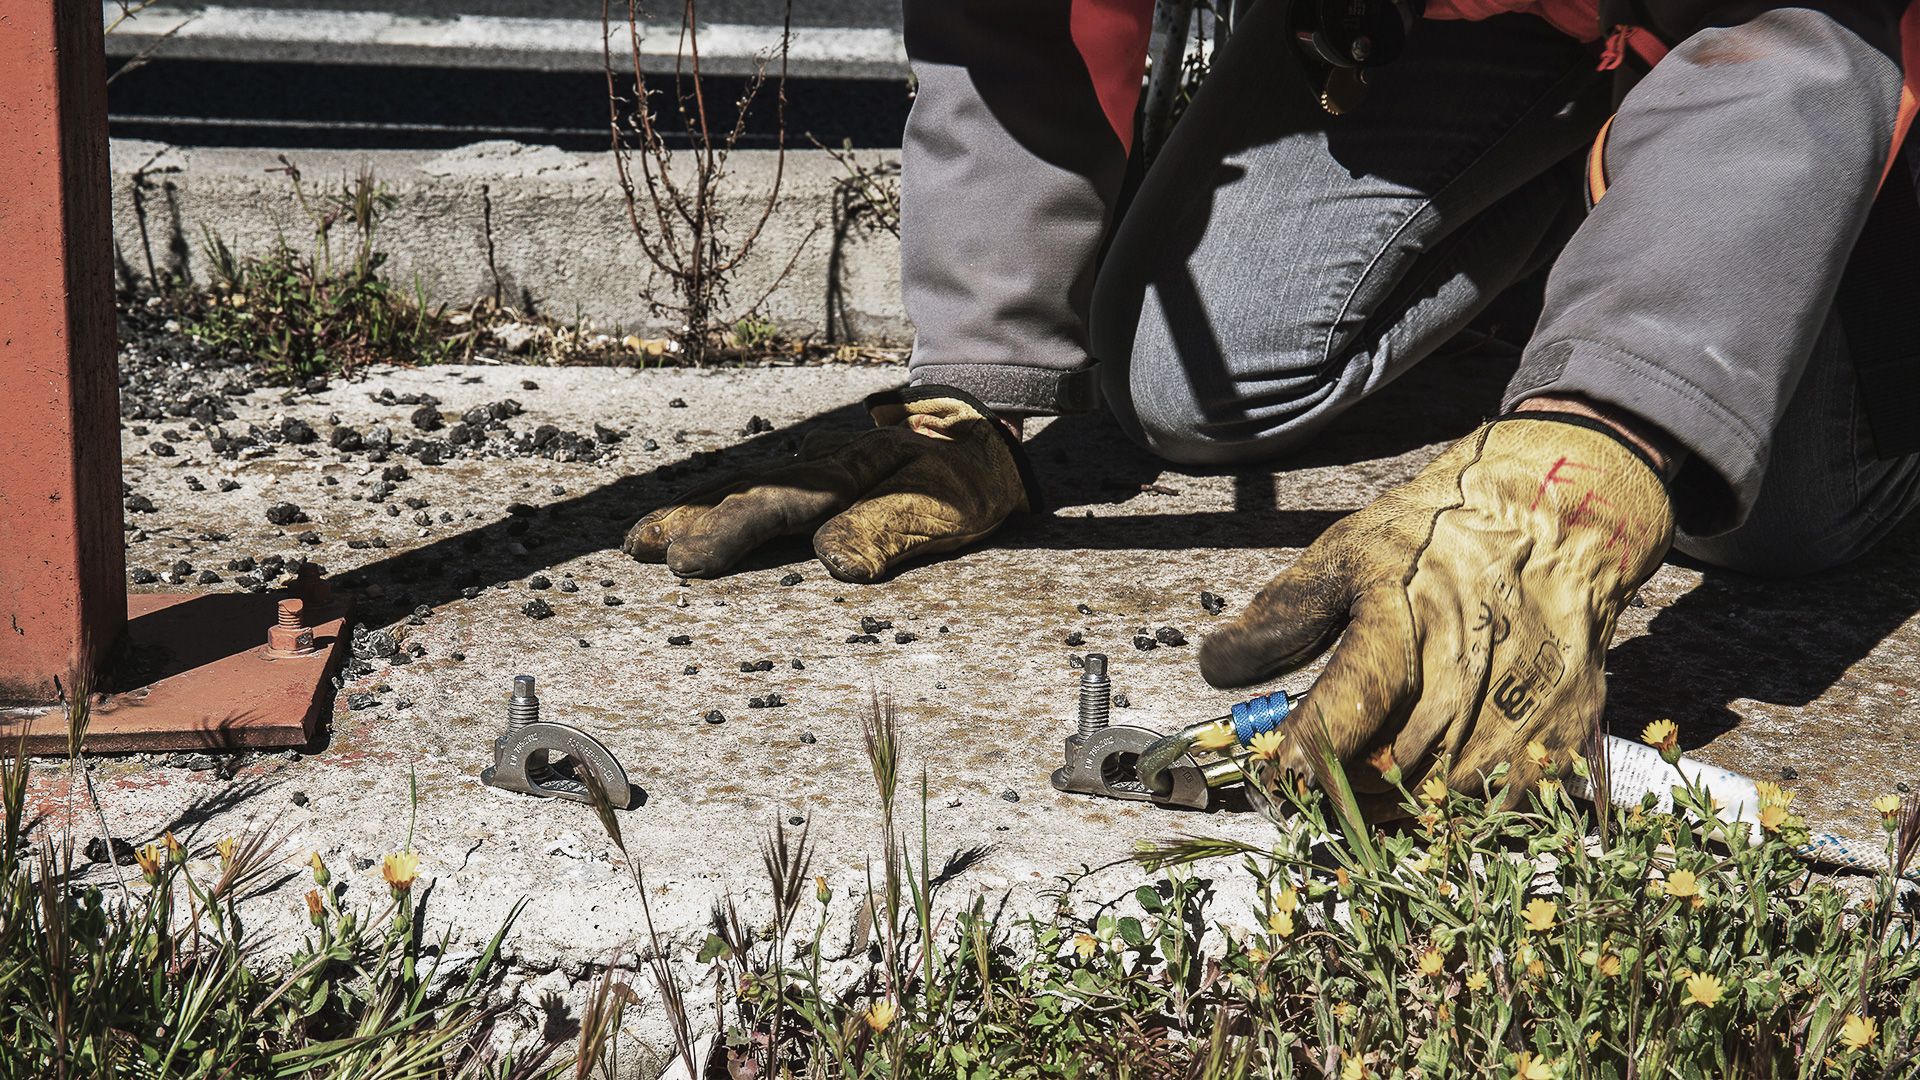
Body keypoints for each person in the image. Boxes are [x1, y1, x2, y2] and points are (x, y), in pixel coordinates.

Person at [625, 0, 1920, 798]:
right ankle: (1601, 199)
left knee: (1761, 526)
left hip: (1811, 40)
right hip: (1491, 18)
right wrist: (978, 377)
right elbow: (1009, 25)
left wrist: (1601, 445)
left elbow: (1802, 40)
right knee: (1184, 388)